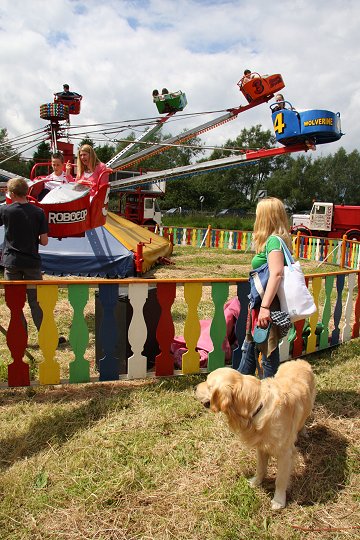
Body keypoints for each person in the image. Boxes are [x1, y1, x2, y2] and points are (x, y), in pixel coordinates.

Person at [238, 197, 292, 379]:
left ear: (266, 218)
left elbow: (276, 273)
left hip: (267, 305)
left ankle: (270, 397)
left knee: (267, 352)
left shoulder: (273, 242)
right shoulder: (274, 241)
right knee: (251, 347)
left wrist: (265, 307)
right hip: (262, 304)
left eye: (257, 215)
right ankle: (238, 389)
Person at [0, 177, 48, 334]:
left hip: (11, 262)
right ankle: (45, 334)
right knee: (37, 301)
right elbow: (44, 241)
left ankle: (21, 335)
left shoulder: (5, 210)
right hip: (32, 263)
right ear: (26, 192)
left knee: (15, 303)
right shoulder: (39, 212)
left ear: (12, 193)